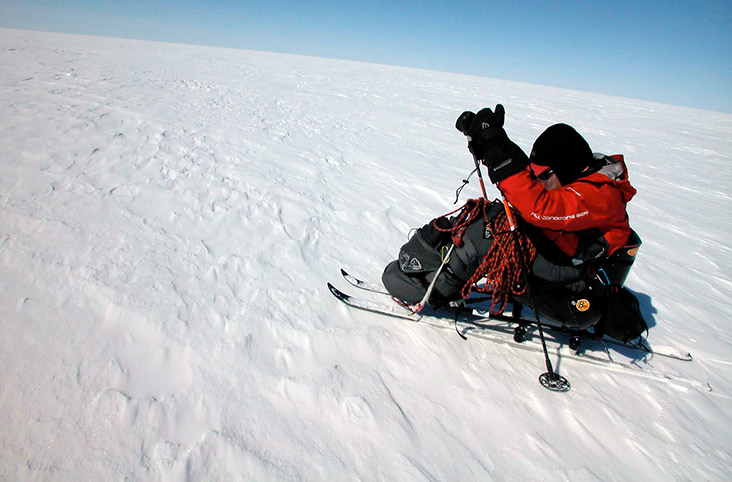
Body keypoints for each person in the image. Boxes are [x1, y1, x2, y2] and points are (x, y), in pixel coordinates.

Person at [382, 104, 641, 334]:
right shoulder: (581, 177)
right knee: (489, 215)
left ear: (565, 169)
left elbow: (541, 208)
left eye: (543, 174)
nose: (536, 179)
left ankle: (434, 288)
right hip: (562, 251)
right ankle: (431, 263)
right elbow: (530, 183)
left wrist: (499, 155)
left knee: (487, 235)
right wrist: (494, 145)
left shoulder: (600, 195)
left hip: (575, 278)